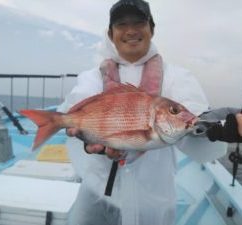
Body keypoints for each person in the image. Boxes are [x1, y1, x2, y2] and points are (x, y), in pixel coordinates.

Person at [58, 0, 227, 224]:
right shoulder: (91, 78)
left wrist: (219, 130)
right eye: (121, 24)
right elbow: (74, 120)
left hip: (152, 197)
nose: (131, 30)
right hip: (97, 191)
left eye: (139, 22)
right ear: (110, 33)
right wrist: (86, 137)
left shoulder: (179, 78)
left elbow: (198, 131)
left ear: (151, 28)